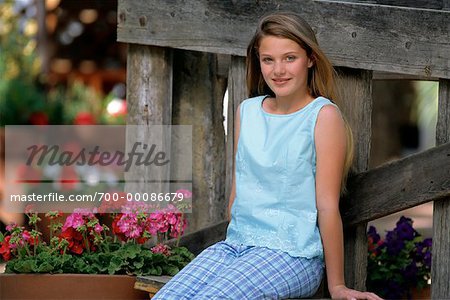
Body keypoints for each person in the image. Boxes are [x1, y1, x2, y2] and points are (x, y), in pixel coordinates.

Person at [153, 12, 382, 300]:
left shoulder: (322, 116)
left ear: (310, 59)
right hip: (235, 246)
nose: (278, 70)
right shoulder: (247, 111)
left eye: (290, 58)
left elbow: (326, 206)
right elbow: (238, 195)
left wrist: (336, 286)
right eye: (268, 59)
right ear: (258, 62)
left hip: (292, 254)